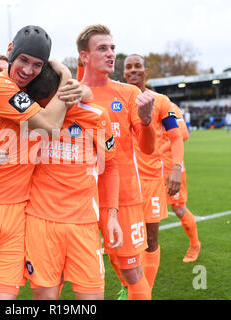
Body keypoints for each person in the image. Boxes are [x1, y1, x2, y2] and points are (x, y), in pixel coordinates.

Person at [0, 25, 83, 300]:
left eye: (37, 64)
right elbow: (49, 127)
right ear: (10, 51)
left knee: (4, 296)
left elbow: (86, 96)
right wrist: (67, 74)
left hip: (16, 211)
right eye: (23, 60)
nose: (28, 70)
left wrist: (74, 86)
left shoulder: (34, 90)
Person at [24, 64, 123, 300]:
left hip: (84, 224)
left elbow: (110, 166)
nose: (46, 110)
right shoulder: (29, 116)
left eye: (48, 102)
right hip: (41, 223)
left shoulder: (95, 116)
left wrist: (111, 216)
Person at [76, 24, 156, 300]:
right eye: (102, 48)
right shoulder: (70, 96)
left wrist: (146, 122)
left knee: (133, 271)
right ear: (84, 56)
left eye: (112, 48)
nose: (111, 54)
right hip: (80, 200)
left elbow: (147, 149)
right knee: (83, 274)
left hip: (123, 197)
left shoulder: (129, 94)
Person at [123, 54, 184, 294]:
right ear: (124, 72)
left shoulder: (161, 101)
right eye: (129, 67)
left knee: (150, 240)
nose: (133, 70)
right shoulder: (116, 97)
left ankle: (143, 292)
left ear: (146, 71)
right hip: (123, 182)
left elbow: (176, 137)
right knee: (123, 242)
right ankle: (129, 287)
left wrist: (176, 168)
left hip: (150, 182)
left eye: (138, 66)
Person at [159, 102, 201, 263]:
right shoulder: (132, 102)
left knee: (178, 207)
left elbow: (183, 133)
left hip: (171, 165)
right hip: (148, 166)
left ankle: (195, 244)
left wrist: (160, 149)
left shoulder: (168, 105)